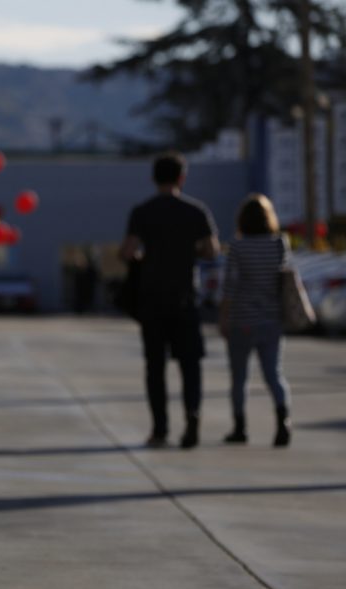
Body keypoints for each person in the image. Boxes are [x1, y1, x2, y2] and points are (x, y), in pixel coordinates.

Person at [120, 152, 220, 449]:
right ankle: (192, 419)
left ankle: (160, 429)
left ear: (154, 178)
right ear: (181, 177)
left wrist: (143, 257)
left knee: (155, 367)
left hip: (151, 299)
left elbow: (127, 251)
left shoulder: (143, 211)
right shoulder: (196, 211)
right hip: (184, 298)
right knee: (190, 365)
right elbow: (212, 251)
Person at [218, 194, 292, 447]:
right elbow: (285, 280)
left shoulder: (238, 246)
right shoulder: (280, 243)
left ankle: (240, 427)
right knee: (274, 374)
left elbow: (230, 286)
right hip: (272, 320)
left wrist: (223, 317)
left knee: (239, 378)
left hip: (242, 320)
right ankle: (283, 421)